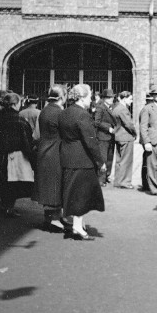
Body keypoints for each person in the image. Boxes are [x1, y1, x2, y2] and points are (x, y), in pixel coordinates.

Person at [59, 84, 106, 240]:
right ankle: (78, 227)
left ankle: (77, 224)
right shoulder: (83, 115)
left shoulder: (65, 112)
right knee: (82, 194)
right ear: (82, 97)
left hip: (68, 157)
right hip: (82, 159)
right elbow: (90, 141)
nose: (91, 99)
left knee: (73, 193)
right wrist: (100, 161)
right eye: (89, 96)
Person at [0, 92, 36, 218]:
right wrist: (31, 156)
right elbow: (26, 140)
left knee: (1, 181)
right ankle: (9, 207)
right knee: (13, 184)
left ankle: (1, 205)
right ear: (16, 104)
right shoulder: (19, 120)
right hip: (15, 156)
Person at [33, 85, 67, 231]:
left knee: (48, 185)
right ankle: (54, 219)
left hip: (44, 150)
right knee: (56, 185)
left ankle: (49, 218)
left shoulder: (45, 110)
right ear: (62, 97)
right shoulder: (59, 112)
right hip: (55, 151)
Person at [139, 85, 157, 196]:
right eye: (156, 94)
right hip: (152, 140)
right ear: (152, 96)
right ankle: (153, 188)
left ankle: (155, 185)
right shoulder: (147, 108)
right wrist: (146, 142)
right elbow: (143, 127)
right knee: (152, 164)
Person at [111, 91, 136, 188]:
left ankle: (118, 181)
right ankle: (125, 182)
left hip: (118, 136)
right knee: (126, 161)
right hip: (126, 137)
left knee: (119, 160)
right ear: (124, 98)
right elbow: (129, 124)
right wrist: (135, 133)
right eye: (130, 99)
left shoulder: (116, 108)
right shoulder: (123, 110)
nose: (132, 101)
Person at [93, 88, 116, 185]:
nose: (111, 99)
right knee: (103, 158)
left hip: (111, 137)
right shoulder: (100, 107)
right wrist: (108, 128)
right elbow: (96, 122)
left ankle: (106, 176)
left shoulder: (112, 107)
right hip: (102, 137)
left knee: (110, 158)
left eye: (112, 97)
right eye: (108, 98)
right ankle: (101, 179)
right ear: (104, 98)